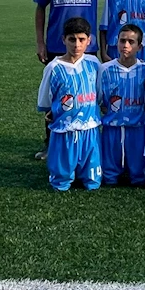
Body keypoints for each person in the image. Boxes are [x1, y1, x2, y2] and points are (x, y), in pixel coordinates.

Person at [34, 0, 117, 160]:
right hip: (57, 47)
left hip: (87, 49)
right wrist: (40, 43)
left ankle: (89, 143)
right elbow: (40, 8)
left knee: (87, 97)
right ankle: (51, 143)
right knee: (57, 99)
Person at [36, 17, 103, 191]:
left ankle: (87, 175)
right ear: (63, 39)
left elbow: (99, 92)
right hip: (64, 130)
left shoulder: (94, 64)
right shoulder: (54, 67)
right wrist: (51, 112)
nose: (77, 45)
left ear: (89, 41)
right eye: (72, 39)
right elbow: (45, 99)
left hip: (89, 129)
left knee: (93, 182)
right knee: (61, 183)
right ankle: (62, 176)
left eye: (81, 39)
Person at [97, 24, 145, 186]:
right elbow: (99, 99)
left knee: (139, 178)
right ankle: (111, 171)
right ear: (117, 42)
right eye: (122, 41)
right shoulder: (105, 69)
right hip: (112, 128)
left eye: (131, 42)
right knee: (109, 179)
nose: (126, 45)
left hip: (138, 128)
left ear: (139, 47)